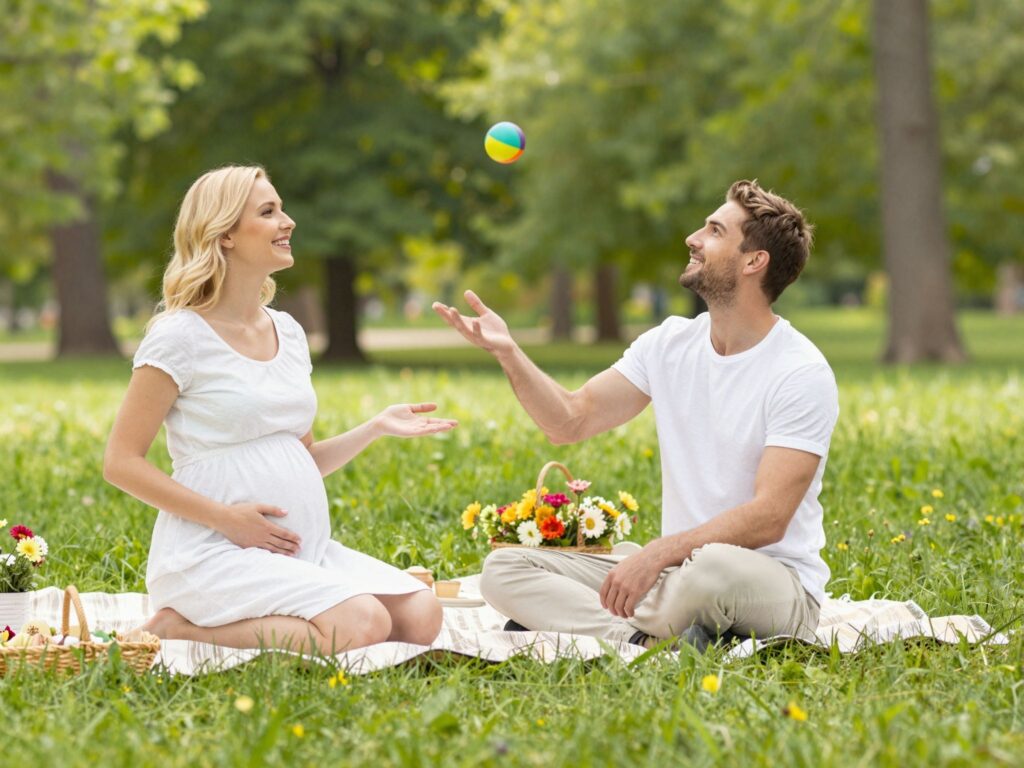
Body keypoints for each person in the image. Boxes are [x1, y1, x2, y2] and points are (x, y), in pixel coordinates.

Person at [433, 180, 838, 648]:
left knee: (709, 569)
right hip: (677, 574)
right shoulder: (668, 344)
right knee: (504, 568)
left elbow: (769, 517)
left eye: (713, 230)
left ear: (753, 261)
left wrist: (657, 554)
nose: (693, 238)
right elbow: (569, 420)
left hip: (770, 584)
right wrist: (509, 353)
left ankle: (589, 619)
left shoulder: (799, 371)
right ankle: (637, 638)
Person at [104, 165, 457, 654]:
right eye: (268, 212)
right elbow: (121, 463)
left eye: (282, 209)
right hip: (213, 552)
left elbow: (302, 458)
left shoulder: (288, 332)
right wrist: (226, 519)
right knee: (361, 623)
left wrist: (374, 428)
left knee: (422, 614)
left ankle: (284, 609)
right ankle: (177, 628)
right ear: (224, 234)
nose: (287, 222)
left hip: (298, 554)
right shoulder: (179, 336)